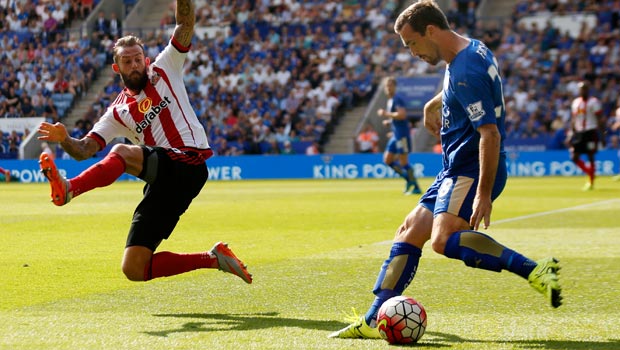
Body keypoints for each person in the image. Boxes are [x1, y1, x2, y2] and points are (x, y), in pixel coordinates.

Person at [329, 1, 562, 340]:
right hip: (454, 168)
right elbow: (459, 85)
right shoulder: (470, 50)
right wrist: (433, 102)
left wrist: (483, 193)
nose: (411, 52)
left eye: (412, 43)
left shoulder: (466, 69)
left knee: (441, 240)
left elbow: (490, 133)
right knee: (410, 229)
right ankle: (372, 318)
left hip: (469, 170)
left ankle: (536, 270)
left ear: (431, 31)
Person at [37, 0, 252, 285]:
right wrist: (65, 139)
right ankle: (214, 258)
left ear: (146, 60)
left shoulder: (165, 68)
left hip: (188, 163)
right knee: (135, 268)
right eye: (127, 61)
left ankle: (69, 189)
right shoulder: (117, 111)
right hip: (164, 182)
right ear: (117, 68)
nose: (135, 64)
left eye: (138, 58)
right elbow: (85, 149)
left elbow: (185, 25)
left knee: (122, 153)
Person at [377, 76, 421, 195]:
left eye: (391, 85)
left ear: (395, 87)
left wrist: (386, 114)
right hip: (395, 135)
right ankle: (408, 180)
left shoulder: (397, 99)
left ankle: (416, 186)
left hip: (402, 135)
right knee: (387, 160)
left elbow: (402, 115)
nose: (388, 88)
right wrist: (390, 122)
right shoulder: (390, 100)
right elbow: (397, 117)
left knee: (403, 162)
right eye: (387, 85)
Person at [568, 80, 604, 190]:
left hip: (590, 131)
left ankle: (591, 181)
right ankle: (590, 173)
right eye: (581, 89)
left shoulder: (594, 102)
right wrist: (571, 133)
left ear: (588, 90)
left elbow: (599, 119)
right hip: (579, 132)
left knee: (590, 156)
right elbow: (574, 119)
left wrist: (602, 135)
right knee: (574, 157)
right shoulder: (576, 102)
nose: (583, 90)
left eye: (584, 88)